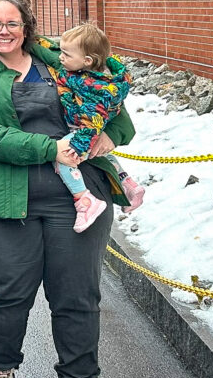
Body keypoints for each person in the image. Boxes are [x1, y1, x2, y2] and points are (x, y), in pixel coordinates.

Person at [0, 0, 135, 378]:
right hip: (7, 201)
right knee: (4, 293)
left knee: (76, 297)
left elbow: (117, 112)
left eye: (12, 23)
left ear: (27, 26)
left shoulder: (61, 59)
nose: (3, 31)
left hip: (77, 200)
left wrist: (110, 136)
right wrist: (50, 148)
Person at [55, 23, 146, 231]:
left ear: (87, 61)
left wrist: (77, 147)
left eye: (66, 54)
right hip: (85, 129)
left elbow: (91, 122)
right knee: (101, 154)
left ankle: (85, 201)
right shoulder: (97, 76)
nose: (61, 58)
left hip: (82, 131)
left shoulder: (94, 91)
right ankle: (129, 185)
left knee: (64, 159)